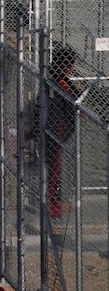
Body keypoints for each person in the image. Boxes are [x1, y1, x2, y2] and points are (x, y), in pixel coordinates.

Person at [46, 43, 81, 219]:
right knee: (54, 167)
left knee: (55, 166)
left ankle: (54, 199)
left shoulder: (56, 79)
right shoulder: (59, 81)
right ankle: (51, 202)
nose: (72, 68)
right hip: (58, 128)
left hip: (58, 128)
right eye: (71, 65)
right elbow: (74, 99)